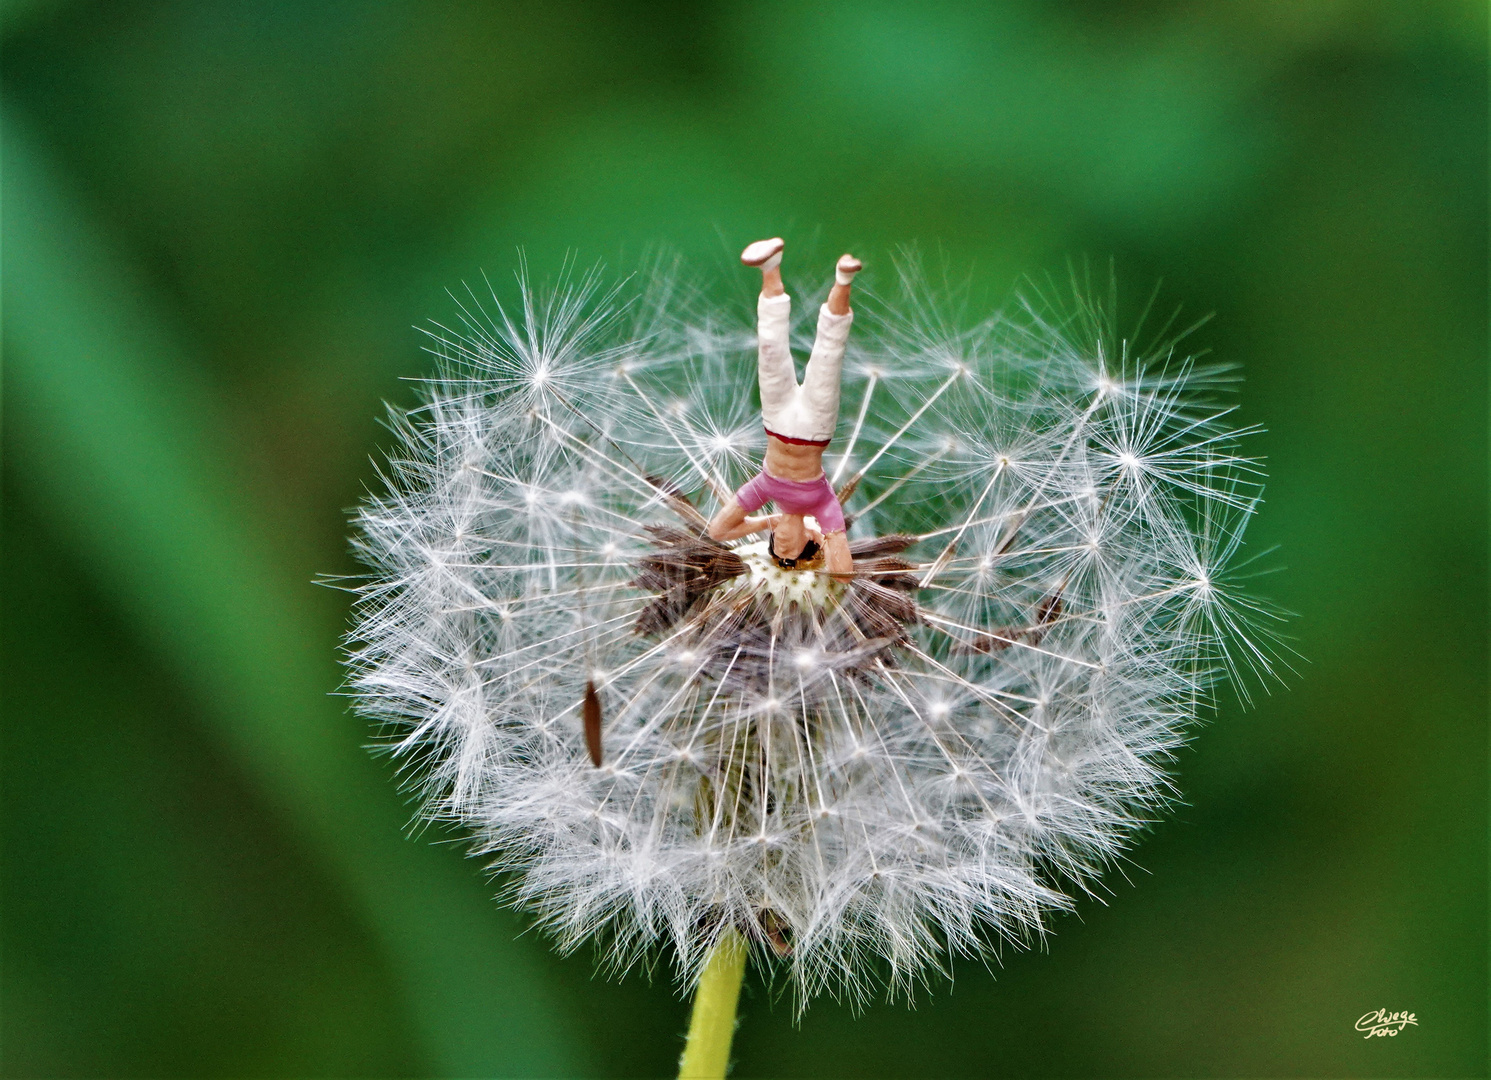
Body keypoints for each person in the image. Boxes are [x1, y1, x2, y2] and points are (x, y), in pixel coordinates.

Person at [707, 238, 861, 579]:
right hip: (814, 429)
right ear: (810, 539)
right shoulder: (823, 507)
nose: (780, 543)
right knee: (829, 354)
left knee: (770, 348)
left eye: (775, 546)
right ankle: (843, 281)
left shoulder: (764, 488)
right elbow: (843, 573)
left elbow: (718, 531)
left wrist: (764, 521)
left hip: (775, 422)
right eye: (789, 549)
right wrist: (828, 540)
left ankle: (770, 268)